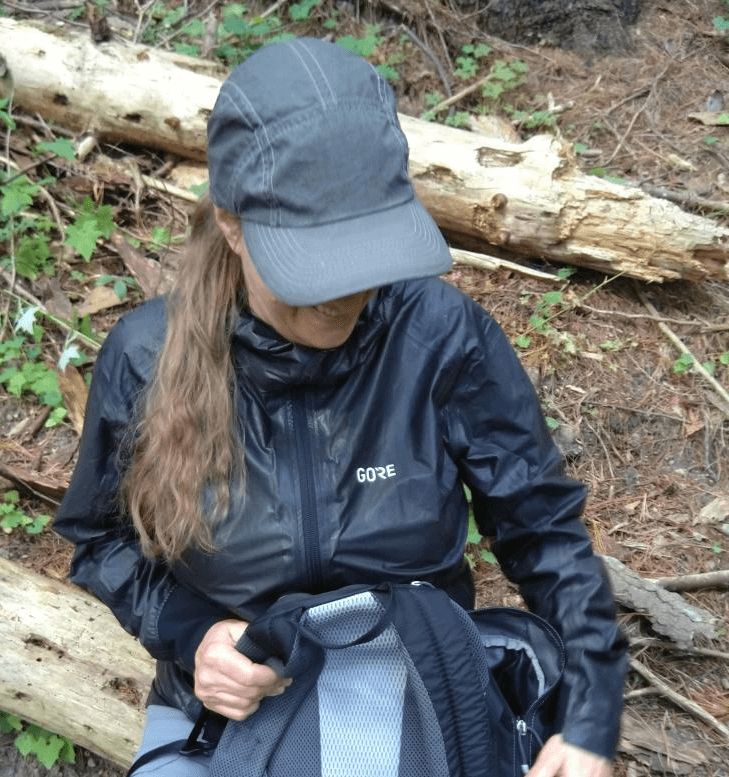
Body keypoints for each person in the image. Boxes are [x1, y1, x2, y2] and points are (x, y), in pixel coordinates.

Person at [54, 37, 627, 777]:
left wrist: (590, 719)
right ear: (233, 227)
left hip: (414, 668)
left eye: (364, 254)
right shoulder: (145, 356)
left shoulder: (439, 337)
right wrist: (197, 636)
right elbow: (99, 543)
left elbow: (545, 530)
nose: (344, 295)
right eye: (314, 265)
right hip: (238, 704)